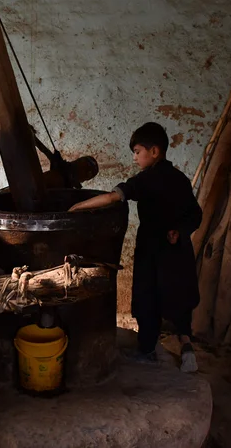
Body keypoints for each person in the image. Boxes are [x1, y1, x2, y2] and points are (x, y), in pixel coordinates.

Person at [68, 122, 201, 372]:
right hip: (177, 249)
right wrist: (180, 231)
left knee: (147, 296)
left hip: (152, 248)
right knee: (178, 298)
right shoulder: (180, 179)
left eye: (138, 151)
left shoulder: (147, 179)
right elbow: (195, 214)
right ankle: (187, 351)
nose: (134, 157)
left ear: (154, 151)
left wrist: (76, 208)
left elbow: (112, 197)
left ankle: (148, 350)